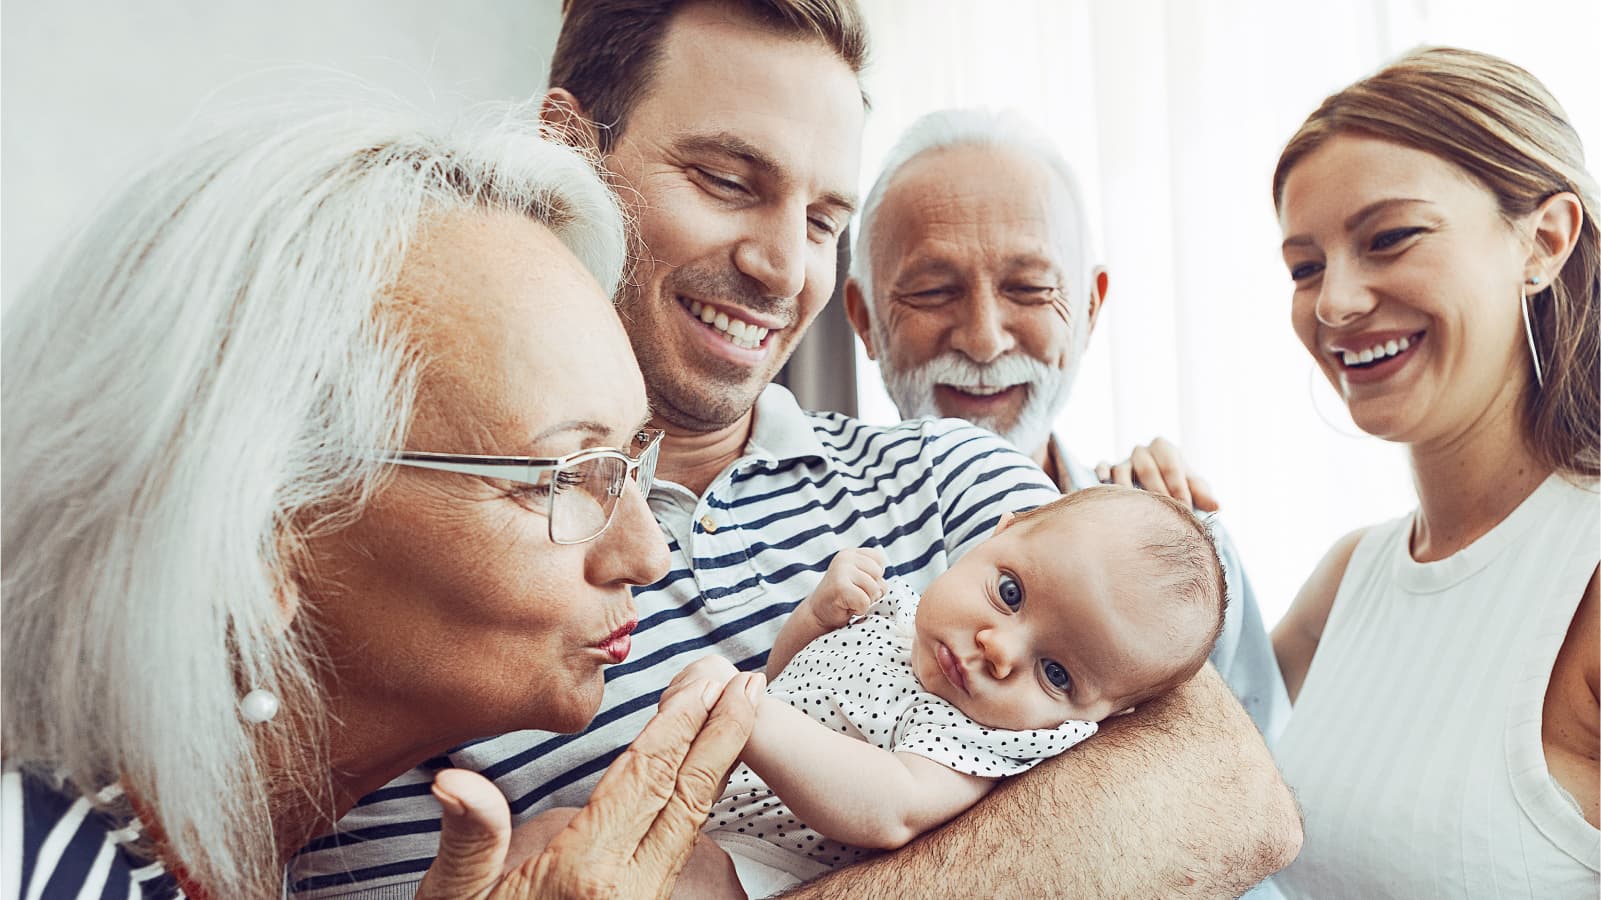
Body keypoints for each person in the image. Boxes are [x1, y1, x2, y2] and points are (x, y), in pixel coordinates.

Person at [291, 2, 1301, 896]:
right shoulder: (410, 531)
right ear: (565, 151)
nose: (782, 269)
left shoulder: (963, 483)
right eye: (727, 180)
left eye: (824, 220)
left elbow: (1227, 799)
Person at [0, 101, 763, 899]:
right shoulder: (30, 854)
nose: (645, 554)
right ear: (265, 528)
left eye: (627, 465)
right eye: (567, 474)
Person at [842, 107, 1290, 740]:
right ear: (864, 320)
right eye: (934, 291)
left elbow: (1258, 807)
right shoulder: (815, 544)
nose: (983, 340)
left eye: (1028, 289)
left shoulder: (1186, 555)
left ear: (1088, 307)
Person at [1269, 47, 1599, 898]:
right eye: (1304, 267)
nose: (1335, 303)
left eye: (1389, 239)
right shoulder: (1346, 582)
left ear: (1544, 241)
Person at [692, 486, 1228, 896]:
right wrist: (814, 617)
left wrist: (750, 715)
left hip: (769, 869)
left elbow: (892, 807)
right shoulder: (891, 611)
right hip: (711, 810)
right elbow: (788, 683)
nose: (998, 649)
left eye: (1055, 673)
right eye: (1010, 593)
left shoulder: (972, 739)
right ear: (998, 533)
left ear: (1102, 716)